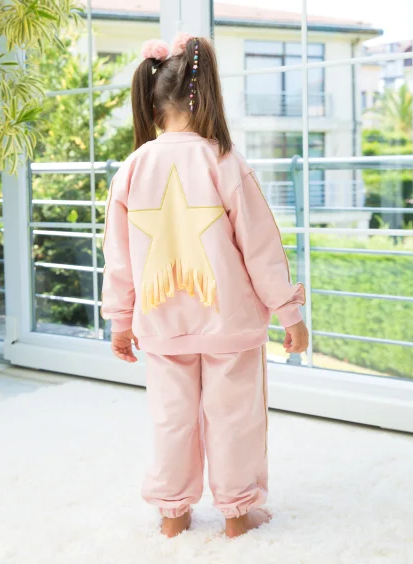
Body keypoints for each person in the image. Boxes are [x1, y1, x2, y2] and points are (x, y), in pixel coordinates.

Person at [100, 32, 309, 539]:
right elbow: (261, 246)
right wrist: (289, 312)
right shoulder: (224, 161)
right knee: (235, 417)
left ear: (152, 105)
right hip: (228, 323)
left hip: (161, 324)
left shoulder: (132, 168)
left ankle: (173, 514)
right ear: (205, 97)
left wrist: (121, 321)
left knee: (171, 419)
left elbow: (118, 258)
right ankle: (236, 514)